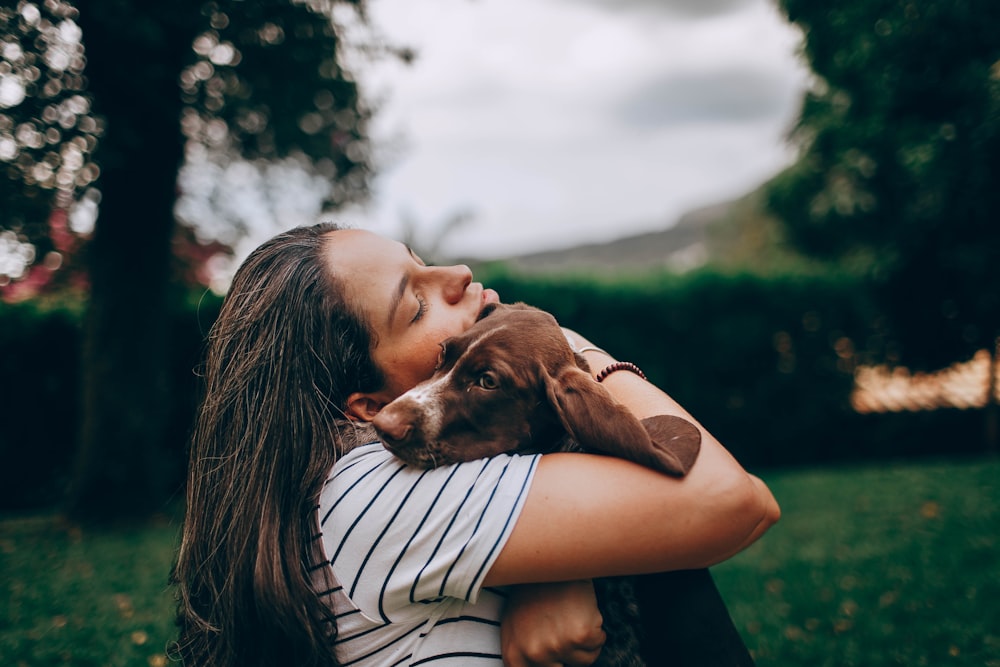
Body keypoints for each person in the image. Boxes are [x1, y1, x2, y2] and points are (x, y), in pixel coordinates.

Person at [171, 222, 780, 667]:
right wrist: (572, 352)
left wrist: (568, 570)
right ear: (368, 410)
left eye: (421, 259)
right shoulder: (365, 492)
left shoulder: (437, 468)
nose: (458, 274)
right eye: (416, 304)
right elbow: (735, 501)